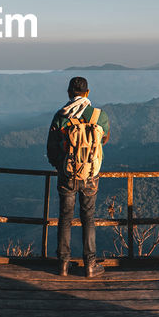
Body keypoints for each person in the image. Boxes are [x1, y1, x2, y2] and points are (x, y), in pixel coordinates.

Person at [47, 76, 111, 277]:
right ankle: (90, 265)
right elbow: (105, 139)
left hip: (67, 176)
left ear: (68, 93)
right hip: (90, 176)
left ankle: (63, 265)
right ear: (88, 93)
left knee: (65, 219)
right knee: (88, 218)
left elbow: (51, 149)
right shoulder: (99, 116)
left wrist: (62, 166)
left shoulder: (61, 116)